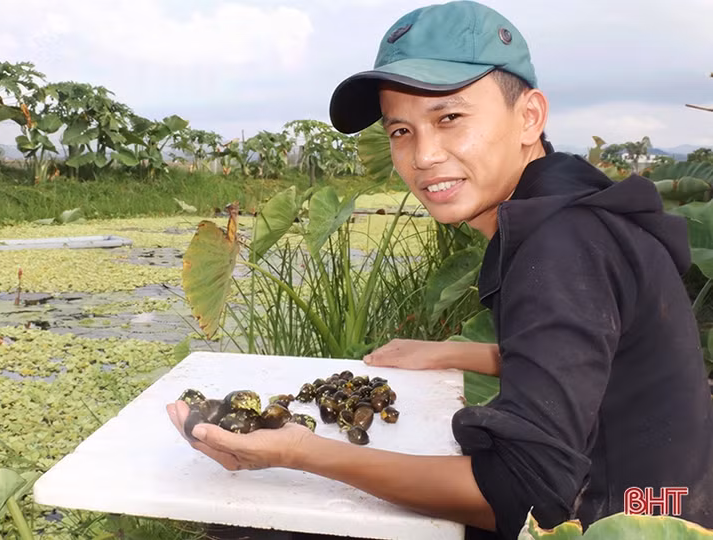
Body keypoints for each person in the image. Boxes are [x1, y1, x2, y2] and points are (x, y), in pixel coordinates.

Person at [168, 2, 713, 538]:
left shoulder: (562, 247)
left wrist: (300, 451)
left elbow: (523, 494)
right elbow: (594, 357)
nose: (423, 155)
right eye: (400, 131)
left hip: (618, 521)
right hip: (657, 496)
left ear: (529, 117)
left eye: (449, 117)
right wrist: (455, 353)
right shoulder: (570, 207)